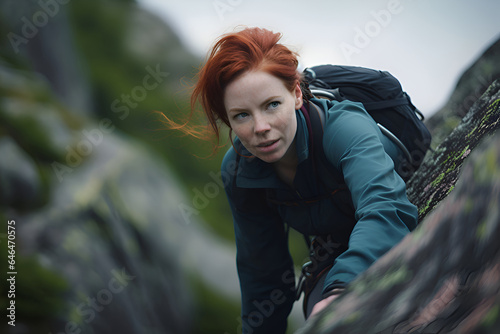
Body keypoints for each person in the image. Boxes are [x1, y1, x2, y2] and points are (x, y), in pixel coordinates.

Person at [187, 27, 418, 333]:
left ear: (296, 94)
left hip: (382, 229)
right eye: (241, 115)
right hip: (334, 250)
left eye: (272, 105)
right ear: (228, 120)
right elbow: (263, 273)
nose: (261, 127)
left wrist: (340, 290)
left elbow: (386, 209)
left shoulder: (344, 127)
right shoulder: (240, 170)